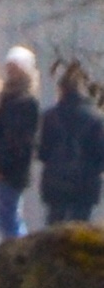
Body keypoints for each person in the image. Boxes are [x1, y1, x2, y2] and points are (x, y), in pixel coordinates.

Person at [39, 64, 104, 225]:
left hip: (55, 181)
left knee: (54, 227)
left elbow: (42, 152)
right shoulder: (97, 118)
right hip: (86, 182)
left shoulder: (49, 116)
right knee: (80, 228)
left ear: (61, 90)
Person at [0, 46, 43, 242]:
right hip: (3, 167)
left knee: (9, 219)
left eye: (15, 68)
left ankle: (19, 259)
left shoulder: (25, 102)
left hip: (12, 170)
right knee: (5, 218)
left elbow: (17, 140)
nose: (10, 72)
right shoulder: (6, 98)